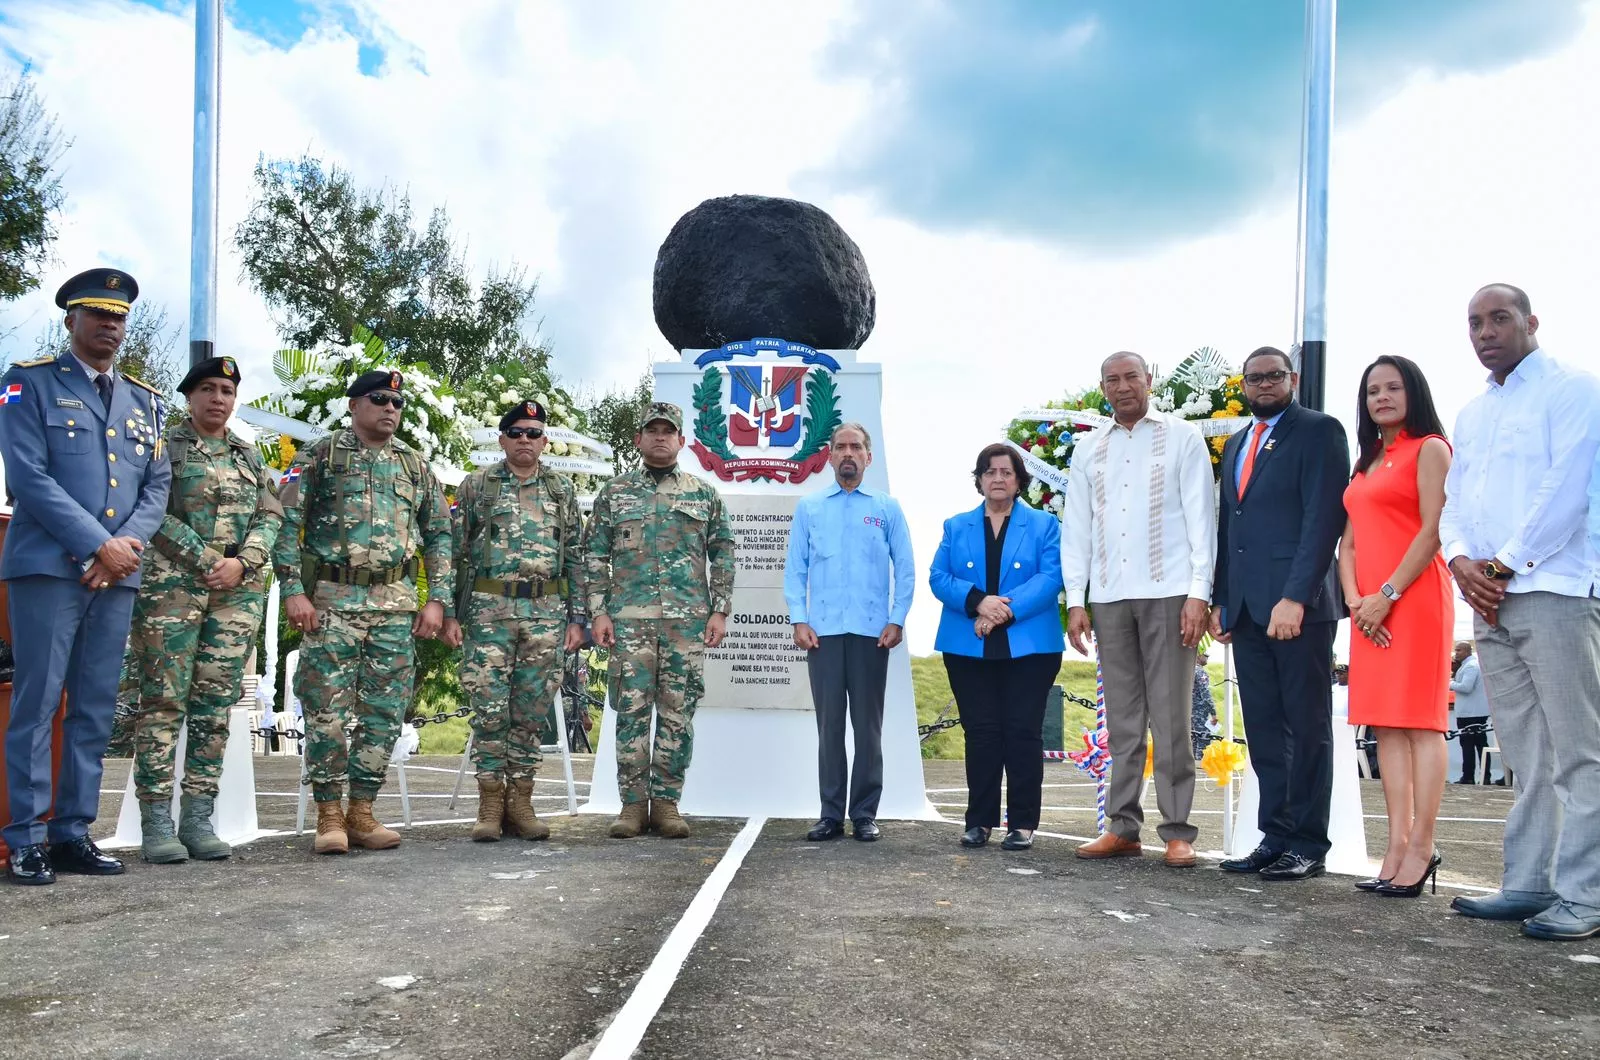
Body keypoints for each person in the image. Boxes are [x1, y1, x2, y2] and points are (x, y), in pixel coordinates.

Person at [0, 268, 172, 885]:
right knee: (38, 702)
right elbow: (28, 477)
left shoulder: (146, 402)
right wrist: (99, 546)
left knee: (95, 708)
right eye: (96, 312)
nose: (109, 324)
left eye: (118, 315)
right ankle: (24, 838)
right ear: (70, 319)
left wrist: (123, 549)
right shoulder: (29, 383)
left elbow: (156, 487)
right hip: (49, 567)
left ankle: (72, 832)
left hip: (117, 575)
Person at [1440, 284, 1600, 940]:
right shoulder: (1474, 413)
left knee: (1579, 751)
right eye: (1474, 322)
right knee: (1526, 752)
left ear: (1531, 321)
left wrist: (1502, 565)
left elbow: (1565, 491)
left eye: (1499, 318)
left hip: (1554, 589)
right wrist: (1458, 562)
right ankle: (1529, 883)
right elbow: (1455, 500)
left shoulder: (1571, 390)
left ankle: (1586, 898)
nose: (1485, 332)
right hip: (1488, 601)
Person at [273, 369, 455, 856]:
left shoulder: (415, 466)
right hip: (331, 601)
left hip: (394, 607)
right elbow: (286, 523)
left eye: (397, 402)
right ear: (354, 406)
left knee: (384, 714)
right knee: (326, 711)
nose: (390, 408)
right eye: (379, 399)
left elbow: (439, 534)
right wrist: (293, 588)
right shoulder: (321, 456)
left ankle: (362, 811)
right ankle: (329, 814)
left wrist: (437, 598)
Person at [1062, 352, 1216, 869]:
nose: (1123, 386)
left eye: (1132, 377)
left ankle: (1177, 831)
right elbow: (1077, 527)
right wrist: (1076, 599)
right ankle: (1122, 827)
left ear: (1150, 381)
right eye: (1113, 379)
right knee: (1123, 721)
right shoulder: (1089, 448)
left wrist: (1199, 592)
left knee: (1171, 718)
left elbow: (1202, 517)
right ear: (1101, 386)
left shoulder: (1181, 438)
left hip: (1170, 591)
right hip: (1107, 596)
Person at [128, 357, 282, 864]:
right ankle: (155, 821)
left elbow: (270, 514)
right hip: (172, 593)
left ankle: (197, 818)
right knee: (164, 703)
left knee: (216, 708)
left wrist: (245, 562)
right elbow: (149, 511)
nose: (220, 398)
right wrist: (209, 559)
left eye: (228, 391)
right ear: (189, 396)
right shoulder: (163, 448)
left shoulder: (248, 453)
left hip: (236, 596)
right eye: (209, 389)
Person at [1212, 346, 1350, 883]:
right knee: (1265, 728)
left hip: (1298, 607)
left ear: (1291, 378)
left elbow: (1323, 518)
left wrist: (1298, 595)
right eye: (1254, 378)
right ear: (1243, 385)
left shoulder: (1319, 431)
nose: (1264, 384)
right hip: (1246, 609)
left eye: (1273, 375)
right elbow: (1231, 527)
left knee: (1307, 725)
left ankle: (1309, 843)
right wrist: (1224, 598)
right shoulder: (1237, 443)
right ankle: (1275, 835)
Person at [582, 402, 734, 839]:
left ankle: (666, 803)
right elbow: (594, 556)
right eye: (653, 431)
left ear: (682, 441)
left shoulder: (703, 494)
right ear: (639, 440)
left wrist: (720, 609)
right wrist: (599, 611)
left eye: (669, 431)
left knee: (676, 714)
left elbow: (723, 550)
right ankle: (632, 806)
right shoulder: (615, 494)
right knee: (630, 713)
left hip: (686, 625)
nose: (661, 437)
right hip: (628, 623)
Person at [443, 401, 586, 843]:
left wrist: (578, 617)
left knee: (530, 711)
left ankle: (521, 802)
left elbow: (577, 557)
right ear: (502, 439)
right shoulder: (478, 487)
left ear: (545, 441)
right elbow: (451, 551)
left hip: (546, 616)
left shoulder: (561, 491)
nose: (525, 439)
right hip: (489, 614)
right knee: (489, 711)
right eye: (516, 432)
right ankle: (489, 803)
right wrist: (448, 611)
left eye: (534, 432)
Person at [1338, 354, 1454, 898]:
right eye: (1372, 391)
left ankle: (1422, 846)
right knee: (1385, 725)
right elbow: (1350, 543)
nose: (1381, 397)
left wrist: (1386, 595)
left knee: (1420, 724)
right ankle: (1394, 845)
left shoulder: (1429, 449)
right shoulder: (1365, 463)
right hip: (1369, 608)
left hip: (1415, 598)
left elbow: (1433, 531)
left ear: (1414, 392)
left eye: (1392, 388)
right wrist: (1358, 601)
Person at [785, 423, 915, 843]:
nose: (847, 453)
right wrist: (798, 619)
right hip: (822, 633)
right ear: (829, 455)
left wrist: (896, 619)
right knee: (829, 730)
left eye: (855, 447)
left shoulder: (887, 508)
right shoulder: (810, 508)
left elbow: (906, 569)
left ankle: (863, 814)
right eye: (840, 446)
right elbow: (796, 569)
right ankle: (829, 813)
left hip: (870, 633)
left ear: (868, 456)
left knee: (868, 729)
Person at [929, 443, 1062, 850]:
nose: (998, 479)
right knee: (981, 733)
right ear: (980, 479)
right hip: (968, 647)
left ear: (1019, 480)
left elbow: (1051, 576)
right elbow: (938, 577)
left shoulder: (1044, 525)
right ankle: (979, 821)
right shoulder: (956, 526)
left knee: (1023, 733)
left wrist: (1001, 611)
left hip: (1031, 647)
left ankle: (1022, 824)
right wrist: (977, 602)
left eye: (1006, 472)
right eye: (990, 472)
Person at [1450, 642, 1494, 785]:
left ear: (1468, 651)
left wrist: (1447, 683)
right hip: (1473, 711)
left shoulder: (1471, 667)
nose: (1456, 653)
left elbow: (1466, 687)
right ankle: (1482, 776)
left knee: (1470, 746)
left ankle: (1469, 776)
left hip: (1471, 713)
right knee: (1479, 744)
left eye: (1459, 650)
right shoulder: (1472, 665)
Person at [1192, 651, 1214, 760]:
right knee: (1203, 739)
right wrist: (1213, 713)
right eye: (1205, 655)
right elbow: (1205, 693)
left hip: (1188, 712)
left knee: (1192, 740)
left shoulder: (1186, 670)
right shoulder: (1200, 672)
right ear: (1198, 655)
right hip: (1200, 713)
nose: (1207, 658)